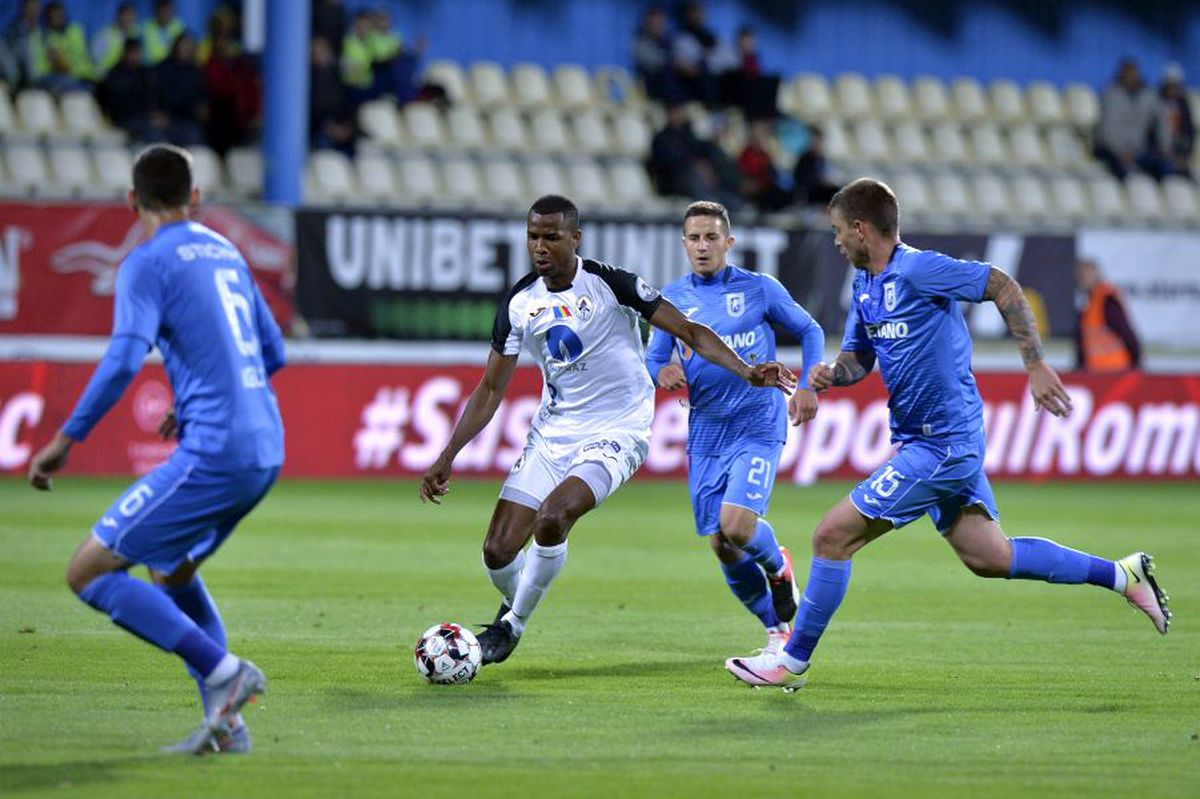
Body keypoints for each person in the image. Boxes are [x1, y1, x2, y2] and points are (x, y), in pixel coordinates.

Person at [725, 178, 1171, 690]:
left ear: (861, 229)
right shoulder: (867, 286)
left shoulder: (919, 268)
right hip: (926, 441)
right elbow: (858, 360)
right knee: (990, 557)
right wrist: (830, 376)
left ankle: (792, 660)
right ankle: (1123, 575)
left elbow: (1001, 284)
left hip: (944, 444)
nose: (835, 242)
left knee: (831, 537)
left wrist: (1037, 365)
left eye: (837, 232)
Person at [419, 194, 795, 667]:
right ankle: (517, 603)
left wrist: (747, 370)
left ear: (574, 239)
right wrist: (447, 454)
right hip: (553, 431)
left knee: (554, 518)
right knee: (496, 551)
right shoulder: (519, 303)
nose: (540, 247)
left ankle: (510, 627)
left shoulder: (611, 283)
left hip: (620, 427)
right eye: (533, 236)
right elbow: (491, 388)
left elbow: (691, 332)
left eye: (551, 237)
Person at [27, 145, 284, 753]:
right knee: (171, 572)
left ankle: (225, 673)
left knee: (87, 572)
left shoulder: (145, 263)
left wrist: (67, 440)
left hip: (217, 453)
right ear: (195, 198)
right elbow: (272, 351)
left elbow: (123, 359)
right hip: (266, 448)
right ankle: (228, 730)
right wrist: (194, 394)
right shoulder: (228, 251)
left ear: (131, 200)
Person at [645, 201, 824, 658]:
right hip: (706, 429)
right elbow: (652, 357)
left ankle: (779, 566)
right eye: (694, 238)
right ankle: (775, 630)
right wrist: (661, 372)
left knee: (737, 525)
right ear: (683, 243)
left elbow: (810, 330)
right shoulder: (672, 300)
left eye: (711, 237)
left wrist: (806, 386)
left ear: (729, 242)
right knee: (722, 545)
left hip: (757, 421)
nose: (702, 246)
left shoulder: (759, 288)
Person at [1094, 58, 1171, 180]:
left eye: (1134, 74)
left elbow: (1161, 122)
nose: (1131, 78)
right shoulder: (1111, 94)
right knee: (1122, 172)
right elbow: (1107, 130)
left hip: (1138, 152)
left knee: (1165, 169)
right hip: (1113, 152)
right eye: (1128, 74)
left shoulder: (1149, 96)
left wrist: (1164, 147)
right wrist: (1120, 153)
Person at [1074, 257, 1140, 373]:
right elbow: (1083, 343)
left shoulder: (1107, 301)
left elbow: (1127, 335)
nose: (1083, 279)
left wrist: (1136, 366)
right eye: (1081, 276)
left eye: (1085, 276)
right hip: (1095, 370)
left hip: (1116, 369)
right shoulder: (1087, 303)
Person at [1158, 63, 1195, 178]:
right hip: (1161, 155)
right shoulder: (1156, 103)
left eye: (1176, 86)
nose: (1173, 90)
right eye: (1170, 86)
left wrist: (1183, 156)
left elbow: (1189, 133)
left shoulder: (1183, 106)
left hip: (1179, 153)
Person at [91, 2, 139, 78]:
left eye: (132, 16)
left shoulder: (135, 35)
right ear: (119, 16)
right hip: (105, 76)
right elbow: (95, 58)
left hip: (126, 77)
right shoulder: (105, 34)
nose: (129, 19)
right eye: (127, 15)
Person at [142, 0, 185, 66]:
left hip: (174, 66)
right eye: (163, 11)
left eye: (168, 11)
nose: (165, 14)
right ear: (157, 12)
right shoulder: (146, 28)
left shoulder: (179, 27)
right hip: (152, 67)